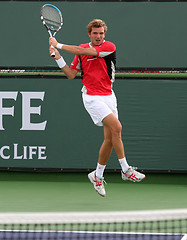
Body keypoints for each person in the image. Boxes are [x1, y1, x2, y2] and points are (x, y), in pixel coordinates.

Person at [49, 19, 145, 197]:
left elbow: (85, 51)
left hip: (109, 96)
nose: (99, 36)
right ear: (89, 34)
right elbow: (71, 74)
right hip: (92, 98)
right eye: (95, 33)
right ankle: (125, 169)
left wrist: (59, 45)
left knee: (110, 139)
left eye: (101, 33)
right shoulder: (81, 50)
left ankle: (97, 175)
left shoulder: (109, 47)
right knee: (117, 127)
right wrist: (58, 57)